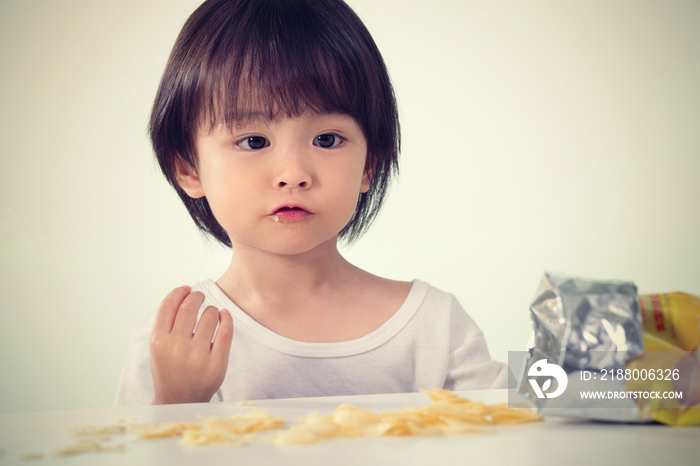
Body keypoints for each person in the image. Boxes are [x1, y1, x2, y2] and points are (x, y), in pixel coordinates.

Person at [114, 0, 509, 407]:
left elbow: (529, 430)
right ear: (189, 169)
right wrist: (177, 403)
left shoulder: (434, 326)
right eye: (254, 141)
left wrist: (573, 371)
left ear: (368, 165)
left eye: (326, 139)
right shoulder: (177, 338)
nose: (293, 173)